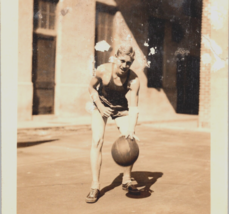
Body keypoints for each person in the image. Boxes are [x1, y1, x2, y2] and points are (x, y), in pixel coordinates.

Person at [86, 44, 140, 203]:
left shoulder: (134, 80)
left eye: (128, 63)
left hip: (122, 110)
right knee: (97, 141)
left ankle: (127, 179)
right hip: (101, 106)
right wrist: (100, 106)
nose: (124, 66)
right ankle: (95, 185)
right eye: (122, 61)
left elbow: (134, 107)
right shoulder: (103, 70)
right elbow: (91, 87)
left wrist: (131, 129)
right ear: (115, 58)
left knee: (129, 140)